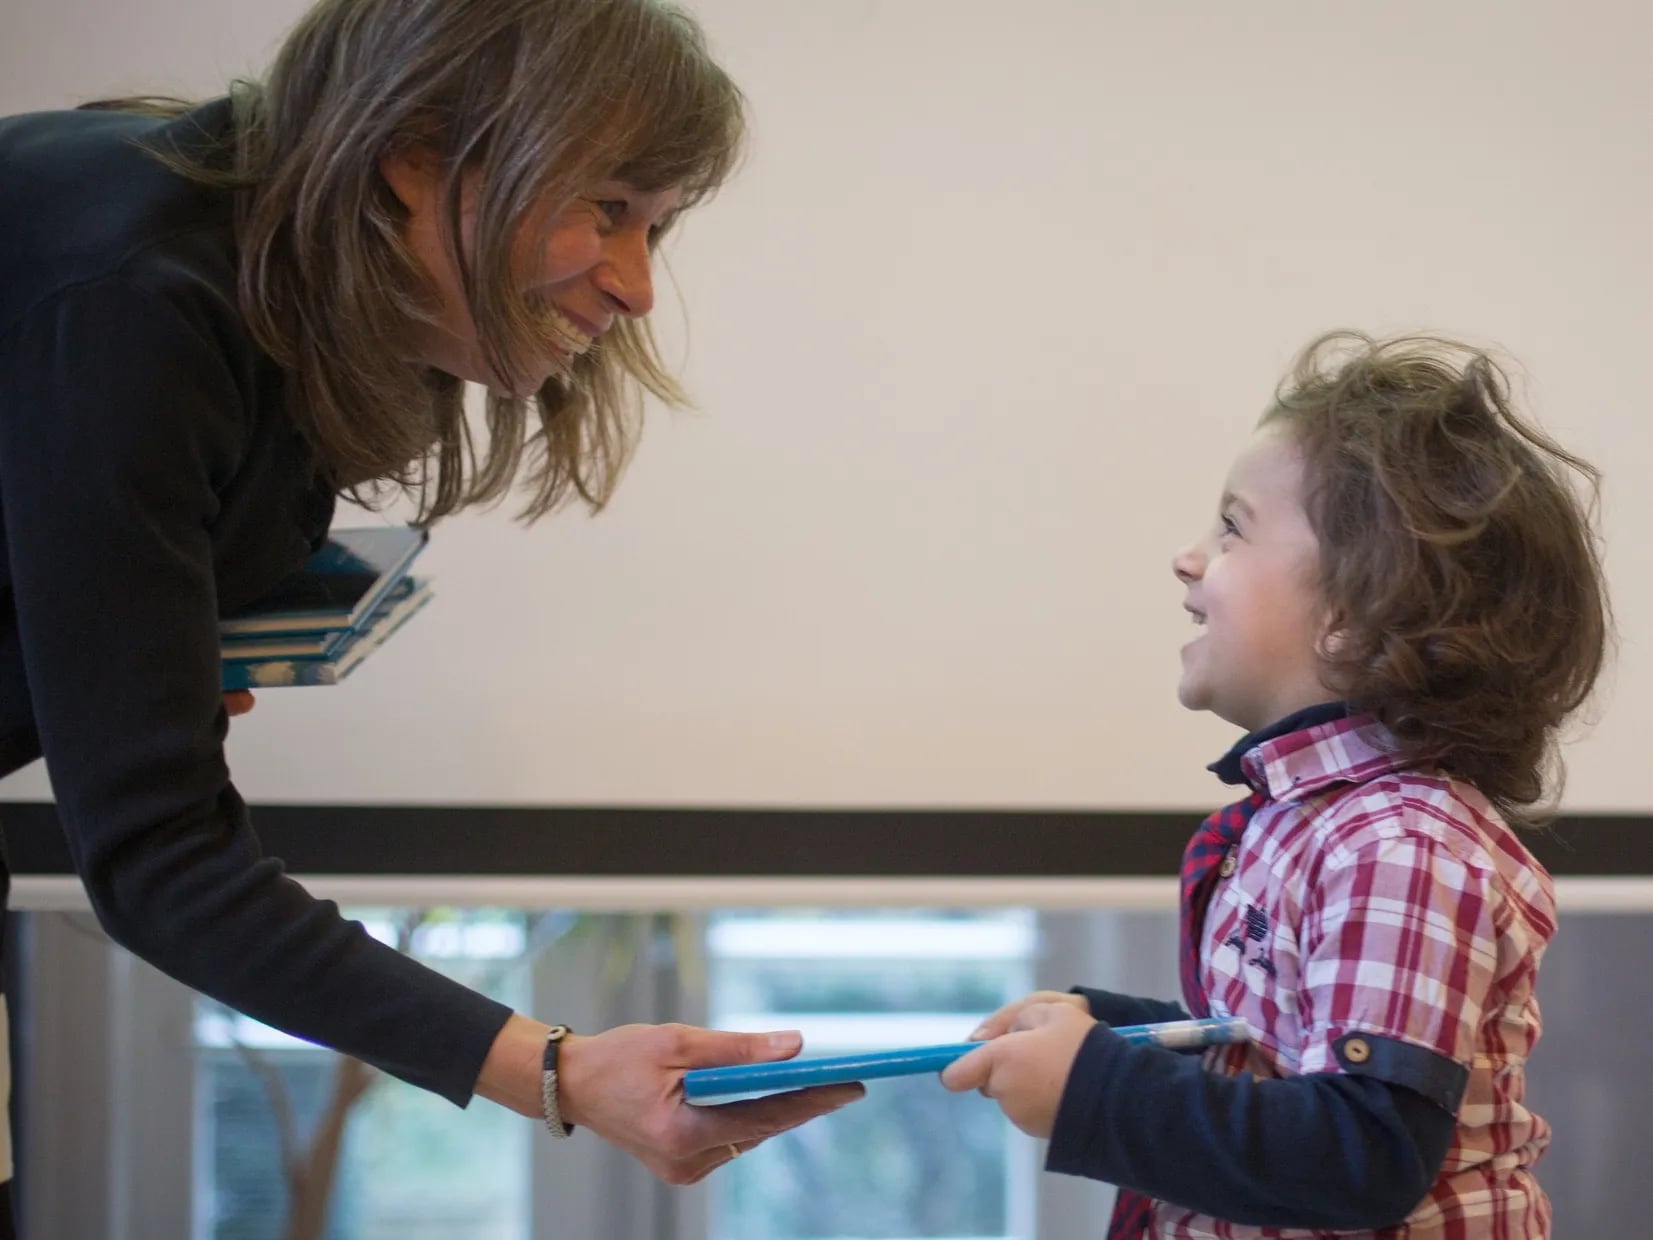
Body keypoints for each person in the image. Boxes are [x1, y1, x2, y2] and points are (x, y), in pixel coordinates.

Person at [0, 0, 862, 1225]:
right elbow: (159, 859)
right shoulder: (139, 292)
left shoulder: (300, 291)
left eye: (656, 229)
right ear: (415, 156)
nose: (634, 288)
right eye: (607, 208)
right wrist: (557, 1072)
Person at [942, 332, 1610, 1238]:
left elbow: (1360, 1148)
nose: (1187, 557)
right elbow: (1281, 1054)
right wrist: (1115, 1033)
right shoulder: (1308, 825)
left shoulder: (1397, 847)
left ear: (1347, 614)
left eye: (1231, 526)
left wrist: (1098, 1090)